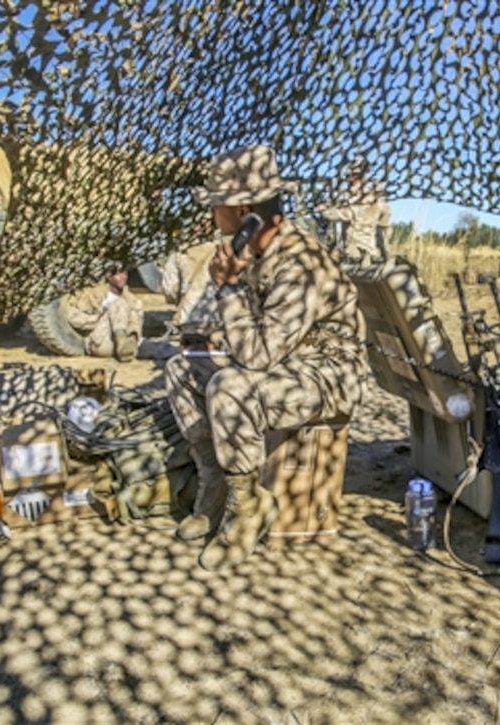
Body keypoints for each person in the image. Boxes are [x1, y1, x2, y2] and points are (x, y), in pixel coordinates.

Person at [165, 144, 368, 570]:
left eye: (217, 205)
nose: (211, 214)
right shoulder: (256, 251)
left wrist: (228, 288)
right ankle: (217, 485)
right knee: (183, 370)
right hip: (287, 363)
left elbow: (256, 357)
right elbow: (256, 343)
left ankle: (247, 506)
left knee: (229, 385)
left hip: (327, 373)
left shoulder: (301, 262)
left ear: (244, 211)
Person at [316, 156, 391, 265]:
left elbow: (343, 214)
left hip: (354, 251)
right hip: (370, 250)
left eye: (352, 175)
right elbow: (385, 222)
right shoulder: (377, 198)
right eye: (348, 175)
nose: (349, 178)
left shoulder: (359, 198)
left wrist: (323, 211)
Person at [64, 261, 144, 362]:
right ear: (109, 276)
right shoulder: (94, 295)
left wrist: (133, 337)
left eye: (124, 273)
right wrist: (98, 317)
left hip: (127, 345)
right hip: (101, 343)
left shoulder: (133, 300)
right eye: (118, 274)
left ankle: (124, 347)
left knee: (160, 348)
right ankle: (121, 342)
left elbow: (136, 322)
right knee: (117, 302)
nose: (123, 277)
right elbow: (72, 317)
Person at [161, 241, 221, 345]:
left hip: (189, 316)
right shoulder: (222, 249)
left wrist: (182, 294)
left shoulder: (180, 252)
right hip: (217, 315)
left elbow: (168, 289)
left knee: (190, 355)